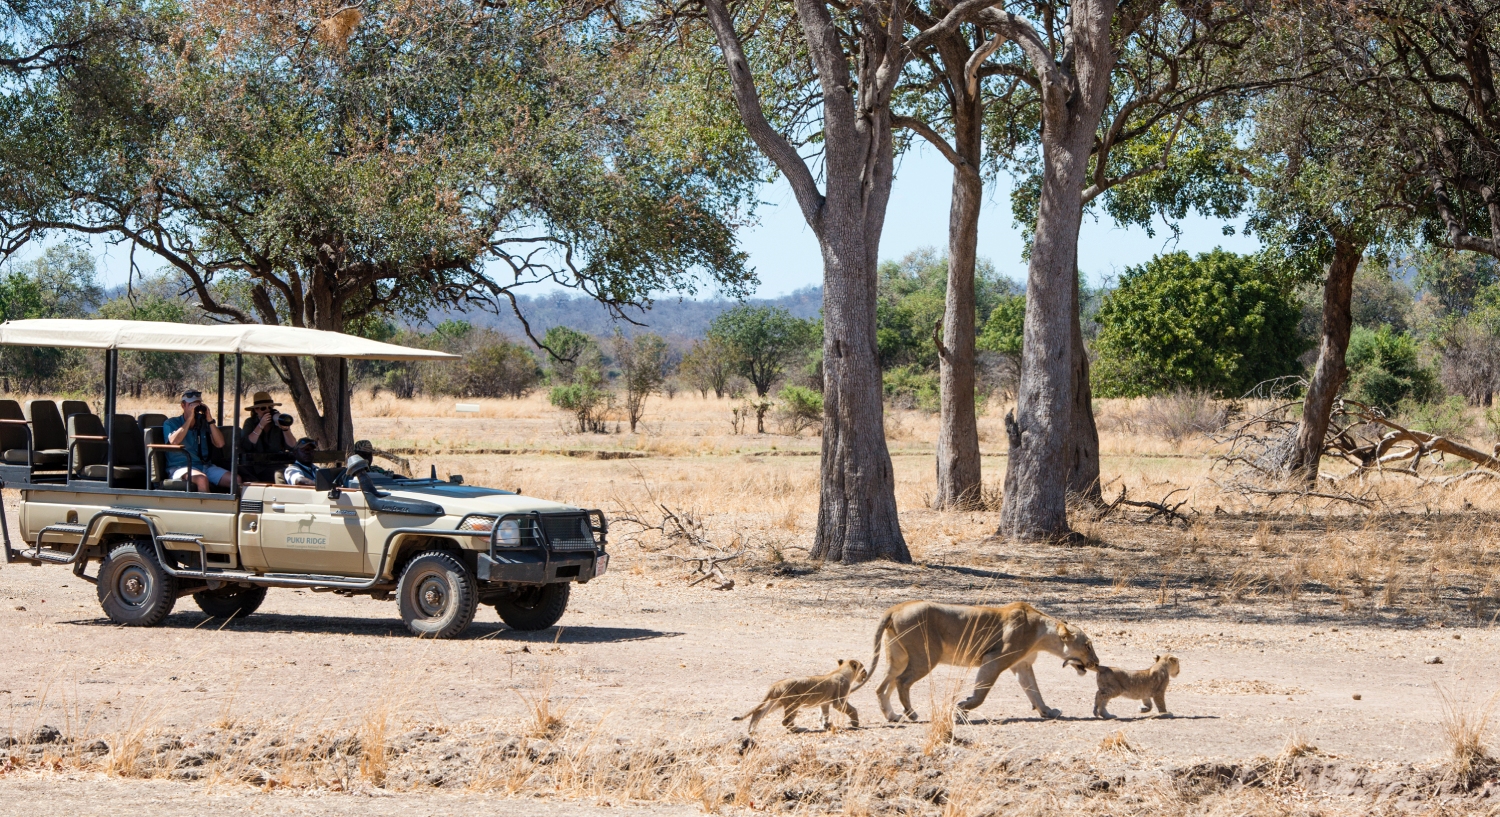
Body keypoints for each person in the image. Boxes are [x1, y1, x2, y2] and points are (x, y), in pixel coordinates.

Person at [161, 389, 230, 492]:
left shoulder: (203, 423)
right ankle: (206, 503)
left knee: (235, 480)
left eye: (198, 404)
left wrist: (210, 420)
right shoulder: (171, 423)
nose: (195, 408)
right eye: (191, 405)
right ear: (183, 406)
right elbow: (174, 442)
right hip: (181, 467)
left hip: (204, 466)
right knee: (201, 479)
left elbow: (220, 444)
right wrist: (190, 419)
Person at [240, 391, 296, 482]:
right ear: (256, 410)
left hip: (277, 465)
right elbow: (247, 444)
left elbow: (292, 445)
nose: (267, 410)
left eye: (270, 407)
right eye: (263, 408)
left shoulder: (277, 423)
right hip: (256, 466)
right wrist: (260, 425)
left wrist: (285, 429)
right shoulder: (250, 422)